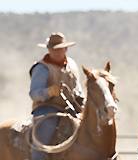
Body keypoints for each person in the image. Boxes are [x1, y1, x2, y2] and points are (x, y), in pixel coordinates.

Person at [29, 32, 84, 160]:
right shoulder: (41, 68)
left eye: (60, 49)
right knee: (42, 140)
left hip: (72, 108)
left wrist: (82, 101)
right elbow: (34, 94)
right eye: (53, 49)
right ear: (48, 50)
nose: (57, 52)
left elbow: (78, 89)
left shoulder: (72, 65)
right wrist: (49, 92)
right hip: (47, 109)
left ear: (66, 49)